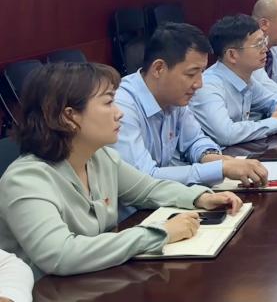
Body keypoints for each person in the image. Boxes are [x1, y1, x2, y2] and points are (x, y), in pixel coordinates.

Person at [0, 62, 241, 277]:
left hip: (94, 280)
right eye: (108, 103)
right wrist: (159, 233)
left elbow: (148, 189)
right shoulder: (25, 180)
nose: (119, 113)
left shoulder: (99, 157)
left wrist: (200, 197)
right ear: (69, 117)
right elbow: (60, 255)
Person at [114, 22, 268, 188]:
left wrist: (213, 158)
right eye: (191, 74)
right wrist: (220, 169)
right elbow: (143, 178)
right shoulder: (121, 107)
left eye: (201, 72)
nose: (199, 84)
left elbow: (195, 140)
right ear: (158, 69)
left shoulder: (174, 97)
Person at [191, 15, 277, 146]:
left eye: (264, 41)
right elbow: (226, 134)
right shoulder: (208, 86)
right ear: (232, 55)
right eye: (258, 44)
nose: (265, 49)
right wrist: (276, 122)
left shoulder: (245, 79)